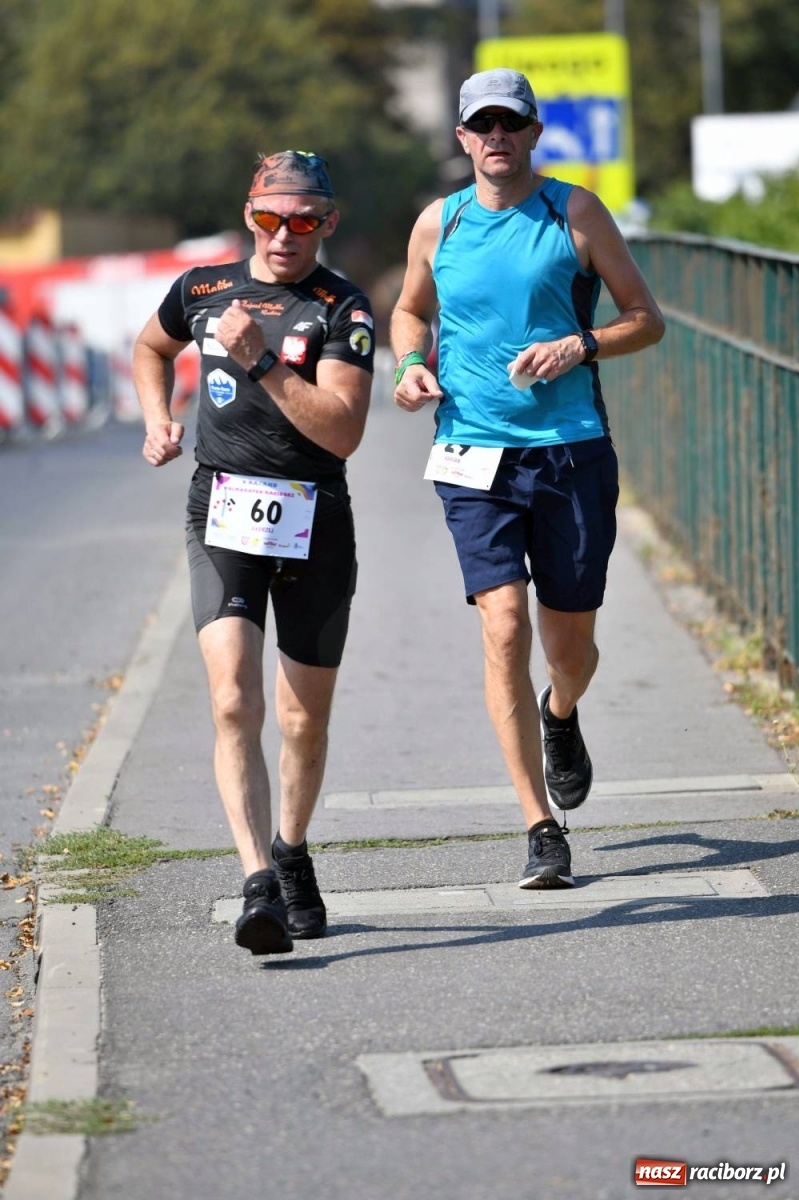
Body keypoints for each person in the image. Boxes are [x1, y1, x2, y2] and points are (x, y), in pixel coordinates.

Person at [391, 69, 665, 890]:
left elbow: (646, 319)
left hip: (572, 449)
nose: (497, 137)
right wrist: (409, 363)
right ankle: (540, 824)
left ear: (535, 133)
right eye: (483, 125)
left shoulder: (575, 212)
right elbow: (409, 310)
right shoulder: (439, 224)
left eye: (512, 123)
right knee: (504, 626)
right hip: (472, 455)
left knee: (568, 646)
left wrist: (580, 345)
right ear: (463, 139)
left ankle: (561, 712)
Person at [133, 150, 374, 955]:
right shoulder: (201, 290)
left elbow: (343, 428)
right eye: (271, 218)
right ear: (250, 216)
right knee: (235, 700)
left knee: (303, 716)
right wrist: (156, 419)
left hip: (314, 515)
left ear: (327, 224)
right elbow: (150, 347)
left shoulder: (343, 308)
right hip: (223, 510)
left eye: (304, 220)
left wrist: (261, 362)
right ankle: (255, 883)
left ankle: (292, 850)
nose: (284, 235)